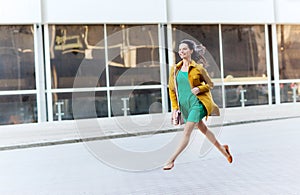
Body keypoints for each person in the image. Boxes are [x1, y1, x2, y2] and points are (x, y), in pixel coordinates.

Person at [163, 39, 233, 170]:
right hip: (185, 106)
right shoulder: (175, 70)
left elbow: (210, 84)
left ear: (190, 51)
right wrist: (175, 108)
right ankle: (223, 149)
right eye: (180, 49)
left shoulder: (198, 68)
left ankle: (171, 160)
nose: (181, 51)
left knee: (186, 132)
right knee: (203, 129)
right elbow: (172, 90)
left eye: (184, 49)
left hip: (197, 104)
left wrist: (199, 89)